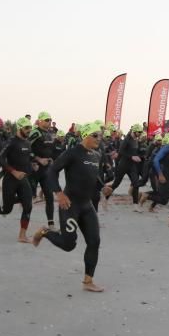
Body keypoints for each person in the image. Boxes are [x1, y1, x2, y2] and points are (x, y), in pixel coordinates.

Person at [33, 121, 111, 292]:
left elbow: (94, 177)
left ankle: (88, 281)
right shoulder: (72, 153)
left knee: (94, 241)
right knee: (69, 245)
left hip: (86, 205)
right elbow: (53, 171)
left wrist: (102, 186)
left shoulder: (96, 155)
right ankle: (45, 232)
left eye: (101, 135)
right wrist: (59, 194)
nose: (100, 139)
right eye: (96, 135)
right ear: (86, 136)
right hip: (70, 204)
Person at [0, 117, 35, 243]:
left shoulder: (27, 143)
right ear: (20, 128)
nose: (29, 130)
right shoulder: (11, 142)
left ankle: (22, 235)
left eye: (30, 128)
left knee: (28, 205)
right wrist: (13, 171)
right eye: (26, 128)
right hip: (11, 179)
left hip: (23, 178)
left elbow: (27, 159)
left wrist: (33, 165)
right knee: (6, 209)